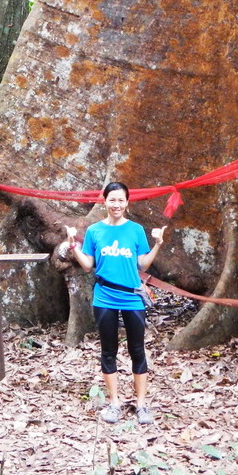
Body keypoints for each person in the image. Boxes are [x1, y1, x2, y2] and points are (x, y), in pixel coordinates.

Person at [66, 182, 165, 425]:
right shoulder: (94, 231)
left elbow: (143, 264)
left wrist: (158, 244)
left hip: (132, 297)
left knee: (137, 350)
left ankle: (141, 404)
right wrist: (72, 246)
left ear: (127, 203)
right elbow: (88, 265)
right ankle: (114, 403)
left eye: (121, 200)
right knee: (108, 351)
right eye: (112, 200)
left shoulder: (136, 230)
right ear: (105, 201)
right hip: (104, 296)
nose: (116, 205)